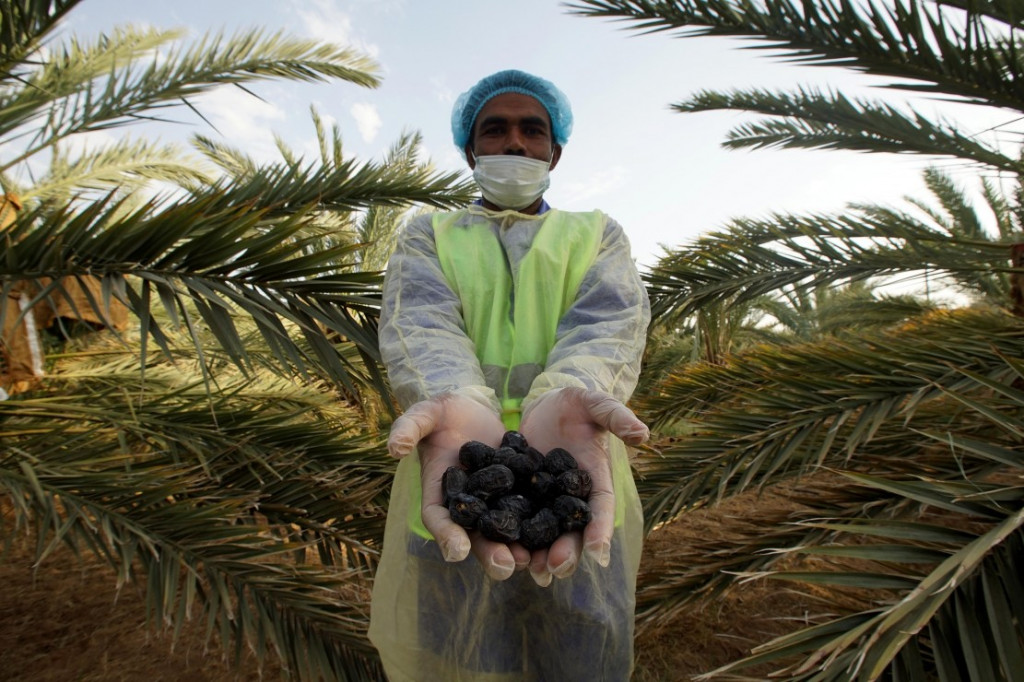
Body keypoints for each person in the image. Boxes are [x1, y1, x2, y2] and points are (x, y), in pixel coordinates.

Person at [368, 69, 651, 682]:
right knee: (459, 657)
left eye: (532, 130)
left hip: (577, 464)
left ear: (556, 150)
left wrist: (568, 391)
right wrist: (453, 399)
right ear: (472, 150)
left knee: (580, 651)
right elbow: (421, 327)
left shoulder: (595, 234)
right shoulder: (429, 234)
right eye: (495, 130)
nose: (515, 143)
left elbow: (608, 328)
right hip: (453, 468)